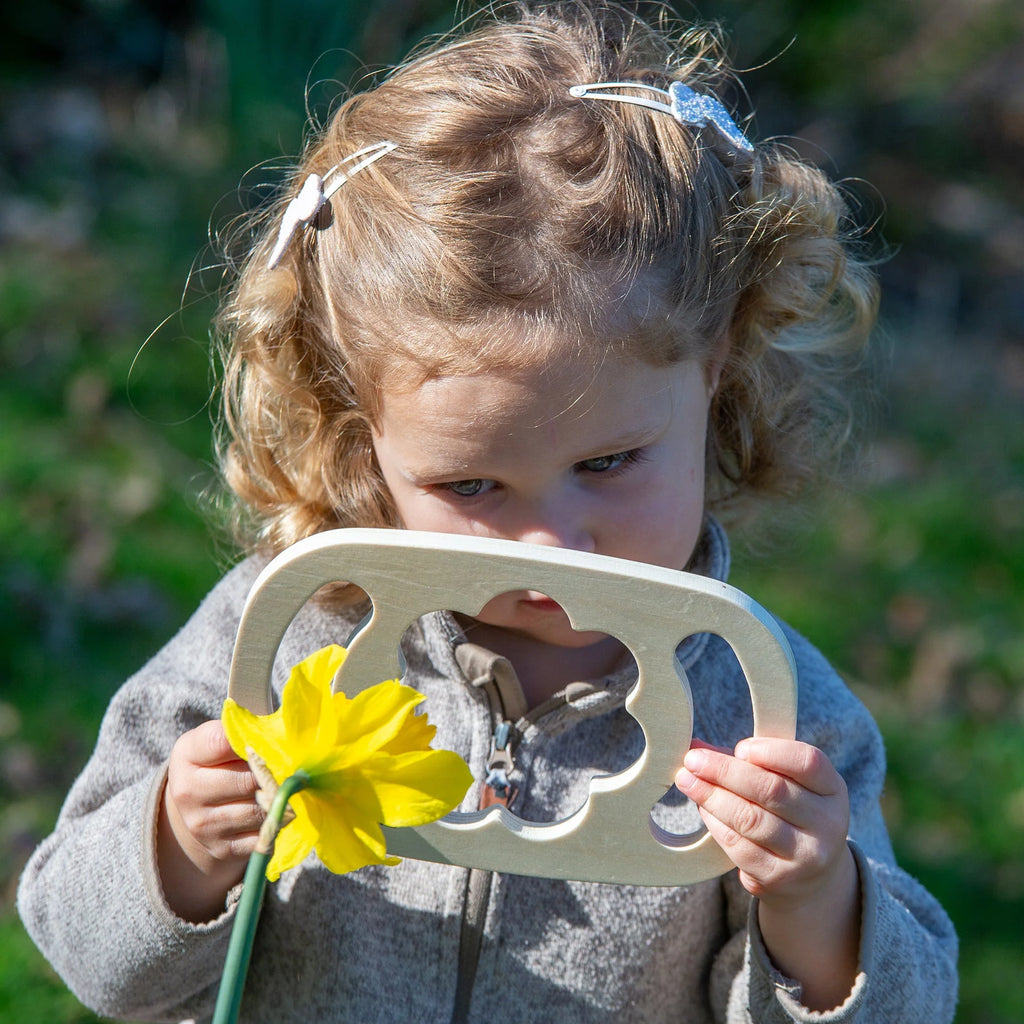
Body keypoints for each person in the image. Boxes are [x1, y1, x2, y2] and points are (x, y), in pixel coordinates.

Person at [18, 2, 958, 1021]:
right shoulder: (286, 635)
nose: (550, 542)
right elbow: (88, 953)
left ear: (715, 367)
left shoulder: (773, 713)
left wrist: (816, 906)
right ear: (359, 421)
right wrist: (176, 846)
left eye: (608, 462)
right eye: (469, 486)